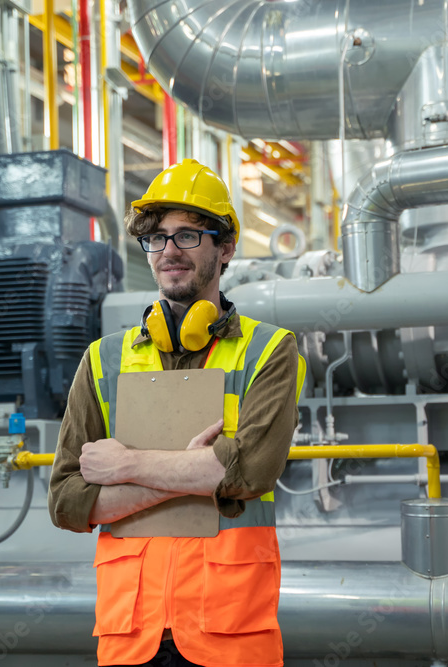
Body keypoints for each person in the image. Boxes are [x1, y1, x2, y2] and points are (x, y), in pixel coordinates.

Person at [48, 158, 305, 667]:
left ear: (225, 247)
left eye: (188, 235)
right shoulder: (103, 360)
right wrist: (193, 471)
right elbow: (67, 501)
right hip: (131, 635)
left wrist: (126, 466)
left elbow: (248, 472)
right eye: (157, 237)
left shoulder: (269, 349)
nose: (168, 251)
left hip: (228, 633)